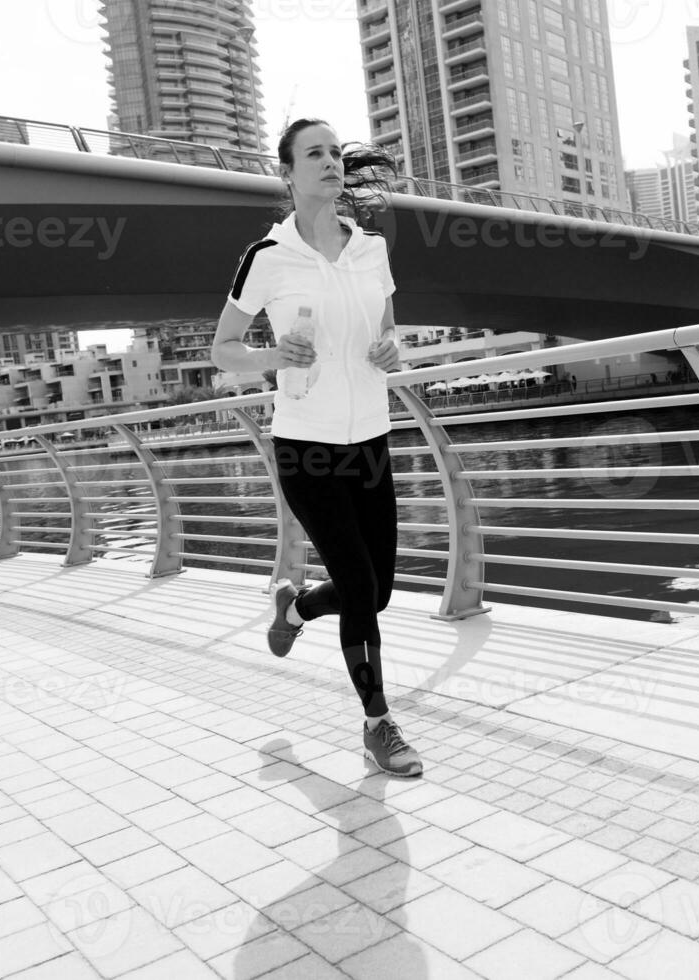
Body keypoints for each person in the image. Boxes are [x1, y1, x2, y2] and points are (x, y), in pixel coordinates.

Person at [211, 118, 422, 778]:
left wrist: (394, 348)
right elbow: (222, 349)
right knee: (359, 587)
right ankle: (378, 723)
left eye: (335, 151)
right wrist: (274, 354)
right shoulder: (266, 258)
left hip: (371, 444)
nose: (330, 161)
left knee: (378, 591)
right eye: (315, 153)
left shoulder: (372, 249)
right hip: (307, 448)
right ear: (289, 173)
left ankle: (295, 606)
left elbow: (387, 334)